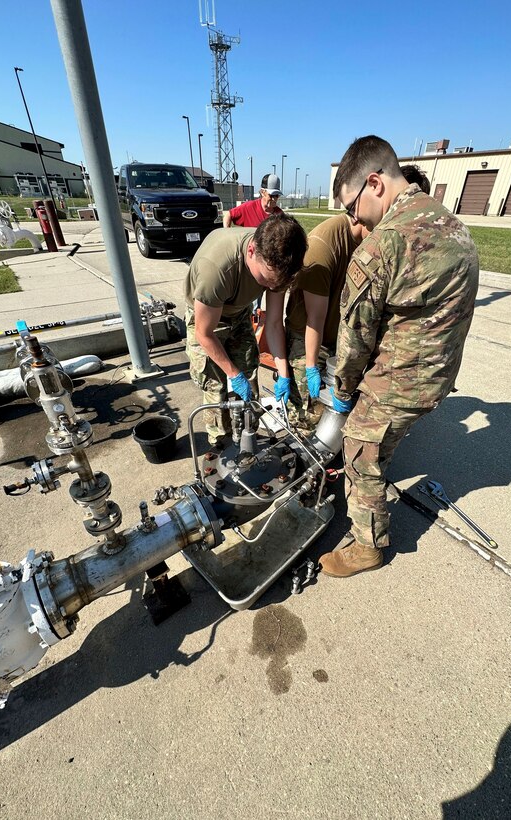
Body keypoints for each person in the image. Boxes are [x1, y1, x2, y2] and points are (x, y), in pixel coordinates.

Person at [319, 135, 479, 578]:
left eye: (351, 207)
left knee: (358, 449)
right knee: (382, 436)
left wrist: (344, 393)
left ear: (374, 183)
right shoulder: (452, 225)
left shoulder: (380, 247)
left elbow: (353, 342)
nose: (352, 218)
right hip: (441, 373)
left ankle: (368, 546)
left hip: (403, 379)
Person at [185, 213, 307, 445]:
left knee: (249, 375)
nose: (272, 287)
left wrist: (283, 373)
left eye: (277, 284)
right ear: (251, 251)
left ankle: (249, 435)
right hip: (207, 317)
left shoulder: (278, 265)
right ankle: (220, 443)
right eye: (266, 280)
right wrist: (232, 373)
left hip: (239, 313)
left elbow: (272, 323)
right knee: (215, 385)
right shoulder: (217, 268)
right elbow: (204, 333)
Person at [284, 213, 367, 426]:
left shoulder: (364, 239)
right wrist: (311, 367)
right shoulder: (322, 247)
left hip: (334, 334)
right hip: (307, 337)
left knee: (329, 406)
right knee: (306, 410)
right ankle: (301, 450)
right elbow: (315, 318)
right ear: (360, 216)